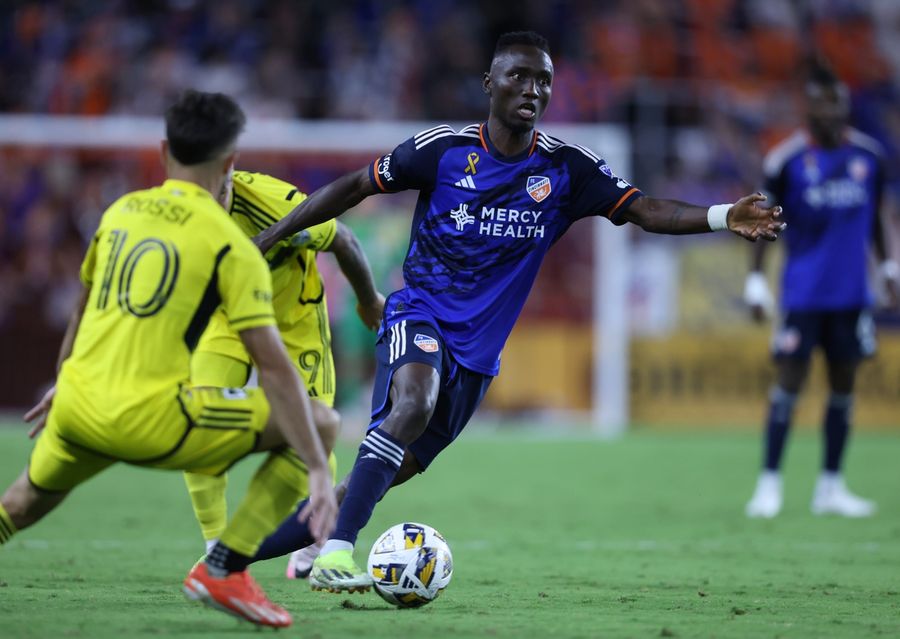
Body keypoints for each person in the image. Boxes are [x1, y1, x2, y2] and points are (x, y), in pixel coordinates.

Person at [248, 30, 786, 592]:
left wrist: (724, 215)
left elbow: (647, 210)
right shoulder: (443, 149)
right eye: (519, 76)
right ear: (490, 84)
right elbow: (356, 186)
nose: (533, 89)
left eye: (544, 80)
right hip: (419, 311)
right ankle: (337, 554)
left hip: (478, 356)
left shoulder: (567, 170)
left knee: (370, 481)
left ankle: (233, 557)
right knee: (411, 404)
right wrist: (271, 237)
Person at [0, 90, 338, 627]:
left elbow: (82, 310)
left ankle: (219, 555)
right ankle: (223, 566)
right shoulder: (228, 242)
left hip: (76, 407)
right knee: (319, 424)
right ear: (230, 162)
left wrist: (63, 380)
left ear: (163, 151)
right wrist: (319, 470)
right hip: (150, 423)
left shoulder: (119, 214)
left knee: (17, 505)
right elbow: (273, 369)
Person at [183, 167, 384, 578]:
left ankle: (312, 548)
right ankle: (218, 556)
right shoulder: (174, 214)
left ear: (229, 173)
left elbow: (343, 239)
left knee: (312, 434)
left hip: (295, 323)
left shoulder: (272, 202)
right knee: (198, 423)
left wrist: (367, 301)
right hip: (230, 320)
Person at [743, 62, 898, 519]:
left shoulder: (869, 157)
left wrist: (888, 266)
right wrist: (755, 282)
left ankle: (831, 486)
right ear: (805, 107)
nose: (831, 111)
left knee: (843, 389)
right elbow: (763, 222)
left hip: (853, 295)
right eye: (821, 102)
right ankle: (768, 484)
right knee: (788, 386)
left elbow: (875, 218)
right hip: (803, 295)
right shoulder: (786, 161)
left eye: (838, 102)